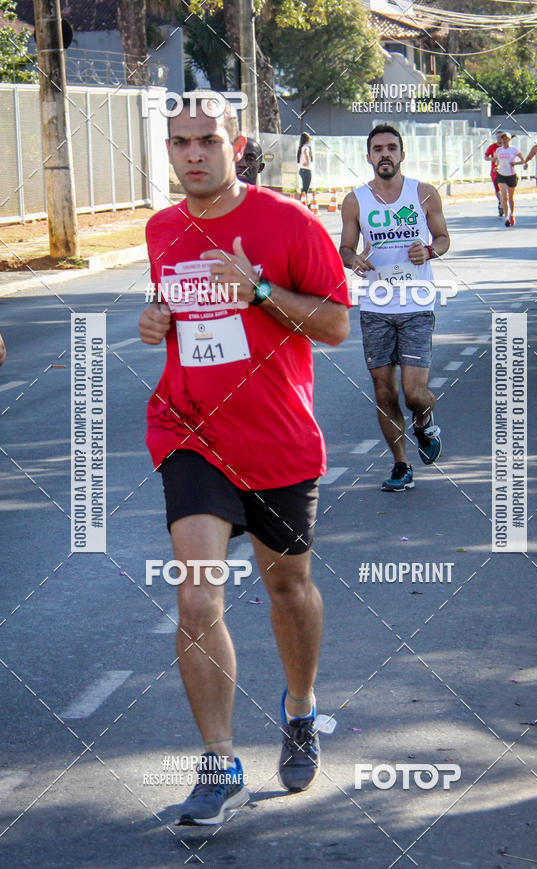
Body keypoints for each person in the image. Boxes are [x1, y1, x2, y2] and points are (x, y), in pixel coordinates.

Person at [139, 93, 350, 825]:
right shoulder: (160, 228)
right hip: (189, 431)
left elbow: (334, 325)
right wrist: (154, 320)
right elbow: (174, 312)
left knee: (288, 591)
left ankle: (299, 707)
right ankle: (220, 761)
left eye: (206, 140)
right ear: (167, 150)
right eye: (179, 142)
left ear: (237, 145)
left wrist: (258, 289)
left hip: (278, 438)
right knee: (197, 596)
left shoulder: (289, 223)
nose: (192, 154)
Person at [339, 123, 450, 493]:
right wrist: (353, 258)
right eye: (377, 149)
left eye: (391, 148)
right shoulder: (355, 200)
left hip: (417, 302)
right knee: (384, 391)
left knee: (414, 392)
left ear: (402, 154)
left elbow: (444, 238)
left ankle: (424, 421)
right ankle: (401, 465)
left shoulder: (424, 194)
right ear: (368, 157)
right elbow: (345, 248)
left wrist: (430, 250)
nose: (384, 154)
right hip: (375, 305)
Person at [493, 133, 525, 227]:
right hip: (501, 174)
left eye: (506, 139)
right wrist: (496, 167)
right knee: (503, 196)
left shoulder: (514, 149)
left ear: (509, 140)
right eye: (503, 139)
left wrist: (515, 163)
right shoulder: (499, 150)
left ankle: (512, 214)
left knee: (510, 197)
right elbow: (497, 160)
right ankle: (506, 217)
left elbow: (523, 160)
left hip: (511, 175)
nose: (504, 140)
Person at [484, 131, 505, 217]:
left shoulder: (507, 147)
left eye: (500, 137)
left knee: (503, 188)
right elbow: (485, 156)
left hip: (505, 171)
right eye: (497, 137)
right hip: (494, 171)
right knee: (497, 190)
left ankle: (503, 204)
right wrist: (491, 159)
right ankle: (501, 202)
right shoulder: (493, 147)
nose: (499, 139)